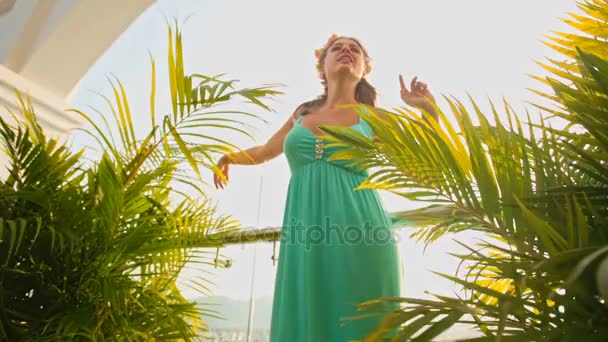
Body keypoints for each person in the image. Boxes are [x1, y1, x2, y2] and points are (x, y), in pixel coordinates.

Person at [213, 34, 438, 341]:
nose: (346, 51)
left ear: (365, 68)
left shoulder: (375, 118)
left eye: (354, 50)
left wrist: (428, 109)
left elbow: (424, 155)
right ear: (322, 66)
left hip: (362, 233)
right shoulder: (301, 114)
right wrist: (229, 158)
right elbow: (266, 151)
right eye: (338, 48)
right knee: (308, 318)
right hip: (305, 235)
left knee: (363, 325)